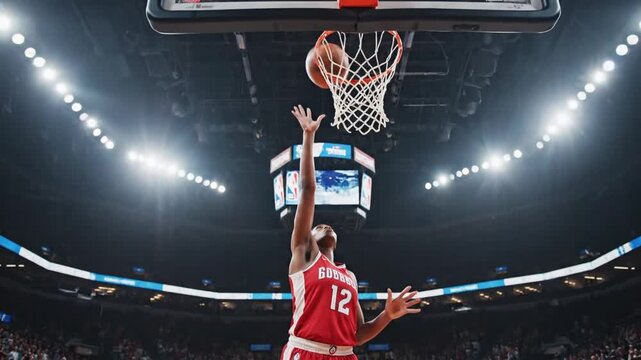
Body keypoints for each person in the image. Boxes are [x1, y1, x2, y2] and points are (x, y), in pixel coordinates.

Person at [281, 105, 421, 360]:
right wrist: (308, 136)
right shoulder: (303, 255)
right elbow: (308, 189)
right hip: (307, 350)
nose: (324, 225)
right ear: (308, 237)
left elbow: (357, 334)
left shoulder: (350, 276)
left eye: (327, 226)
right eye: (317, 226)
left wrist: (387, 315)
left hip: (345, 354)